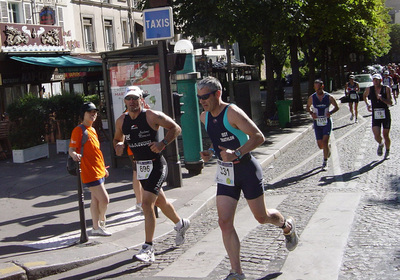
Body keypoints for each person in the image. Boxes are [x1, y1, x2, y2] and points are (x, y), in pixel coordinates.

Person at [197, 77, 298, 280]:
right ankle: (237, 272)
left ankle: (286, 225)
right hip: (226, 175)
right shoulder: (204, 117)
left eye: (205, 97)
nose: (202, 101)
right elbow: (219, 141)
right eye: (199, 98)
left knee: (261, 217)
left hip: (246, 170)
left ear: (218, 94)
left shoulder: (232, 112)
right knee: (224, 222)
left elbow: (258, 136)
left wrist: (237, 153)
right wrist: (209, 151)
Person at [113, 86, 190, 263]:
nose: (132, 102)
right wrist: (118, 145)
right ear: (124, 101)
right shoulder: (121, 121)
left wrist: (163, 143)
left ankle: (148, 248)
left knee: (147, 204)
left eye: (135, 98)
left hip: (156, 166)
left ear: (141, 99)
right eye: (129, 99)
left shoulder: (151, 115)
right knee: (160, 201)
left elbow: (175, 128)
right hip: (141, 167)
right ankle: (180, 224)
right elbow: (118, 138)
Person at [69, 102, 111, 236]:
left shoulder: (92, 129)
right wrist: (74, 154)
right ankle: (102, 220)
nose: (93, 114)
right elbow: (71, 148)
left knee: (96, 200)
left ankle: (95, 227)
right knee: (104, 199)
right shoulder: (78, 130)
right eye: (90, 112)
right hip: (89, 171)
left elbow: (96, 151)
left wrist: (103, 167)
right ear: (83, 115)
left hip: (99, 170)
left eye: (95, 112)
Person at [306, 79, 339, 171]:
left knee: (324, 141)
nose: (318, 91)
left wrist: (331, 112)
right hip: (317, 123)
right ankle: (327, 148)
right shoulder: (312, 97)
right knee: (321, 145)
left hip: (326, 122)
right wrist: (311, 113)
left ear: (322, 87)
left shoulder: (329, 97)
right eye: (316, 89)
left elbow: (337, 107)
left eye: (319, 88)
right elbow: (307, 107)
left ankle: (325, 162)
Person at [363, 73, 392, 159]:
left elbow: (390, 102)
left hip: (385, 113)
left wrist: (382, 99)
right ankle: (381, 143)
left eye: (377, 80)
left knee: (385, 134)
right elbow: (364, 96)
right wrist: (368, 104)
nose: (375, 82)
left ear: (381, 80)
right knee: (376, 134)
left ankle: (387, 150)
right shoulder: (369, 89)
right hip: (375, 114)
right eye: (374, 80)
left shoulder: (386, 89)